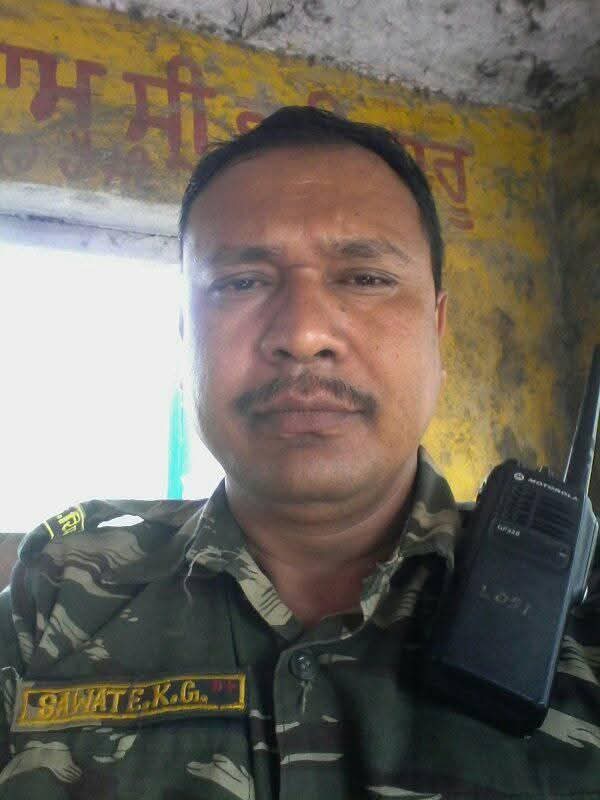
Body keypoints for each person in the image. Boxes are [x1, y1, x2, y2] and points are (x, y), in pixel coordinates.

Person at [0, 106, 597, 799]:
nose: (304, 334)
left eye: (364, 277)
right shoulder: (57, 595)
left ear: (437, 330)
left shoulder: (584, 622)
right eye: (241, 282)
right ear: (185, 337)